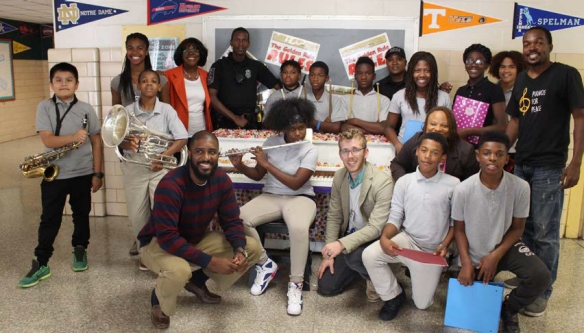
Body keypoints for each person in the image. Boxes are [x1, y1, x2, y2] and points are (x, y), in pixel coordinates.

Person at [138, 131, 261, 329]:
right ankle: (158, 301)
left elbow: (231, 221)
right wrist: (210, 262)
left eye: (212, 152)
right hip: (157, 243)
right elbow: (168, 238)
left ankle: (196, 281)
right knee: (179, 270)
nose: (206, 157)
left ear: (218, 154)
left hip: (192, 239)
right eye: (199, 151)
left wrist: (239, 249)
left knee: (251, 247)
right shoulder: (171, 185)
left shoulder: (221, 180)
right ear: (189, 153)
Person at [505, 26, 584, 316]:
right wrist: (500, 155)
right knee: (523, 229)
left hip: (549, 167)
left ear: (550, 46)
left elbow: (580, 117)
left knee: (546, 234)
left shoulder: (566, 75)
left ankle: (543, 292)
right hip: (522, 165)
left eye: (538, 42)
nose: (532, 47)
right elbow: (514, 122)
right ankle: (531, 278)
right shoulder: (523, 79)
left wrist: (575, 162)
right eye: (527, 43)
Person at [452, 131, 550, 333]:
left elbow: (517, 228)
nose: (492, 158)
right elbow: (459, 230)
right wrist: (467, 263)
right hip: (474, 251)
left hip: (506, 246)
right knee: (472, 313)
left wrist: (495, 255)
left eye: (499, 154)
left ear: (507, 158)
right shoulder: (463, 189)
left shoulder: (521, 187)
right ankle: (483, 286)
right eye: (487, 153)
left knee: (540, 276)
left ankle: (509, 308)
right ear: (478, 156)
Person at [228, 98, 317, 316]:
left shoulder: (310, 149)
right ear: (283, 127)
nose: (298, 133)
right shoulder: (271, 143)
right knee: (240, 218)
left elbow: (296, 183)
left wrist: (267, 164)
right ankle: (265, 264)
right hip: (271, 195)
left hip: (301, 197)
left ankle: (295, 285)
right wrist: (240, 165)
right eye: (293, 128)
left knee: (298, 228)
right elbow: (259, 174)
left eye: (302, 128)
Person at [19, 62, 103, 288]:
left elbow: (96, 141)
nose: (63, 83)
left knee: (81, 215)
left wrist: (98, 173)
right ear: (51, 84)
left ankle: (80, 250)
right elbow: (47, 140)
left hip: (83, 173)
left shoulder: (86, 108)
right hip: (54, 174)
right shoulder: (44, 107)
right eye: (58, 80)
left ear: (77, 84)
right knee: (49, 219)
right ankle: (42, 262)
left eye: (68, 80)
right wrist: (74, 137)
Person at [362, 132, 460, 321]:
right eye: (424, 150)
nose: (427, 156)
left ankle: (423, 277)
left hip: (433, 252)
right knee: (370, 255)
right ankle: (394, 295)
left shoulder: (453, 185)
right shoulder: (404, 181)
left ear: (443, 157)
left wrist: (445, 245)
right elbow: (395, 216)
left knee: (421, 305)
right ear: (416, 151)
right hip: (407, 241)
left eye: (434, 152)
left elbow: (455, 223)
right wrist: (385, 238)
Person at [119, 70, 188, 259]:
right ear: (138, 86)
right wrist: (127, 143)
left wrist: (164, 156)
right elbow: (117, 139)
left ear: (159, 87)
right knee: (137, 214)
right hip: (134, 167)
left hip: (160, 168)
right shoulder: (126, 111)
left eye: (153, 81)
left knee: (162, 210)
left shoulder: (167, 110)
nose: (148, 84)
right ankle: (145, 253)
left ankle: (162, 251)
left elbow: (181, 138)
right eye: (144, 81)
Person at [317, 129, 393, 301]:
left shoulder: (383, 182)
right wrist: (329, 253)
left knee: (355, 256)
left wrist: (340, 244)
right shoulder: (339, 176)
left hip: (373, 241)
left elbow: (375, 228)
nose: (350, 156)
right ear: (340, 154)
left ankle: (386, 282)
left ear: (366, 152)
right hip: (351, 238)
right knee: (326, 286)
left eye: (356, 150)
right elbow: (334, 215)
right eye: (345, 151)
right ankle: (362, 271)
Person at [208, 27, 279, 129]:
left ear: (248, 43)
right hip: (224, 122)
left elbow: (277, 86)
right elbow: (212, 97)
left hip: (248, 122)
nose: (241, 44)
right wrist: (235, 118)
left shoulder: (256, 66)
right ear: (231, 42)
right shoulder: (218, 66)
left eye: (244, 40)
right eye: (237, 40)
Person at [384, 51, 451, 153]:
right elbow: (388, 127)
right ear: (411, 72)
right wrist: (398, 145)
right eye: (417, 70)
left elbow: (448, 128)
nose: (422, 75)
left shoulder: (444, 97)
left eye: (427, 70)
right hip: (405, 149)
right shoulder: (399, 96)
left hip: (433, 153)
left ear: (433, 73)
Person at [390, 106, 479, 182]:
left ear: (451, 129)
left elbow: (471, 182)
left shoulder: (465, 150)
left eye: (444, 126)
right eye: (433, 124)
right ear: (426, 126)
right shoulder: (417, 139)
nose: (437, 129)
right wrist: (407, 184)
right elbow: (397, 164)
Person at [453, 44, 507, 141]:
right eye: (469, 61)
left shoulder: (494, 90)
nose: (474, 64)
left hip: (482, 148)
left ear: (486, 66)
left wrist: (468, 131)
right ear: (465, 64)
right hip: (459, 147)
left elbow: (502, 127)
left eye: (479, 61)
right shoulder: (461, 91)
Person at [162, 37, 213, 136]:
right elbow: (164, 108)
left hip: (202, 131)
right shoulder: (169, 75)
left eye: (195, 50)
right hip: (177, 132)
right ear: (181, 54)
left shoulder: (206, 76)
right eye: (186, 50)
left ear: (201, 54)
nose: (191, 53)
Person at [111, 32, 168, 107]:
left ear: (146, 51)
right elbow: (116, 114)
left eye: (140, 48)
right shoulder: (117, 81)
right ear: (127, 51)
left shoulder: (160, 79)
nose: (135, 52)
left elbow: (166, 111)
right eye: (130, 48)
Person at [340, 57, 390, 135]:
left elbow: (383, 128)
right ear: (355, 76)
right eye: (360, 73)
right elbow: (344, 128)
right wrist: (374, 128)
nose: (363, 77)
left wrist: (355, 121)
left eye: (368, 73)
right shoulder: (345, 99)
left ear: (374, 76)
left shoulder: (384, 100)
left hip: (377, 146)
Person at [307, 61, 345, 134]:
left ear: (326, 78)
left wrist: (313, 122)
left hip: (328, 142)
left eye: (320, 75)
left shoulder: (335, 100)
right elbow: (302, 126)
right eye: (312, 75)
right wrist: (325, 125)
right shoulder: (303, 99)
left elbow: (336, 128)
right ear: (309, 77)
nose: (315, 78)